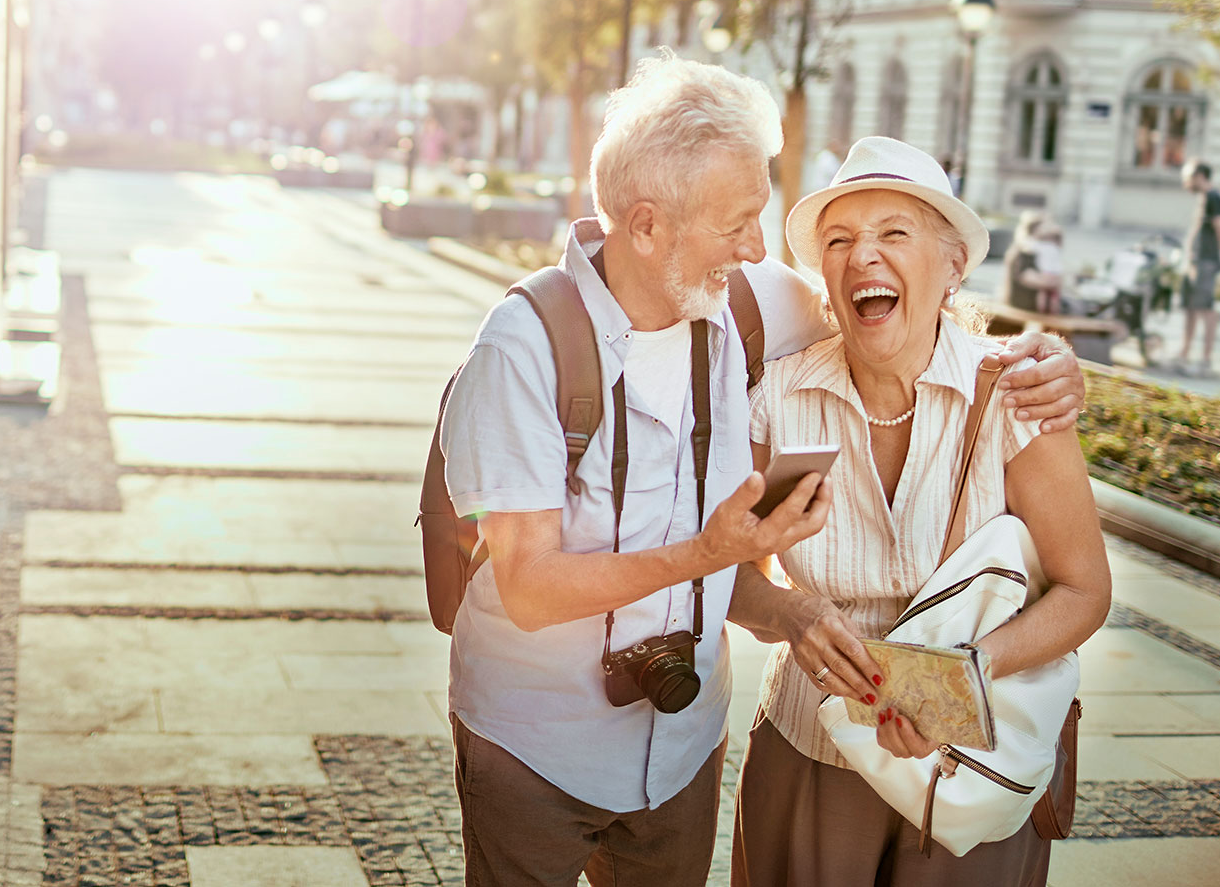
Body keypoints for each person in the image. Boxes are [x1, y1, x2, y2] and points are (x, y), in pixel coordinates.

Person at [439, 56, 1088, 887]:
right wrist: (739, 576)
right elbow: (530, 587)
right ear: (646, 226)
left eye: (764, 219)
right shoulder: (524, 348)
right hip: (537, 739)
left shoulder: (754, 302)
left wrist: (1050, 360)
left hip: (681, 750)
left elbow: (904, 314)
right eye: (738, 222)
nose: (756, 247)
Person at [727, 136, 1112, 887]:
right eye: (839, 240)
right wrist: (788, 614)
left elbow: (1084, 590)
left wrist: (958, 679)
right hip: (814, 749)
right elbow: (734, 567)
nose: (861, 255)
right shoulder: (781, 402)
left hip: (975, 760)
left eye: (893, 233)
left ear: (952, 264)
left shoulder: (1013, 394)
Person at [1177, 161, 1220, 377]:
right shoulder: (1204, 198)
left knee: (1206, 309)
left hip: (1207, 261)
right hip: (1196, 261)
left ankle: (1206, 360)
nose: (1185, 182)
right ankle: (1184, 353)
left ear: (1199, 176)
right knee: (1190, 307)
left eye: (1187, 177)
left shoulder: (1214, 198)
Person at [1001, 212, 1064, 315]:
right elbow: (1033, 279)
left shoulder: (1038, 252)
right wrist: (1054, 280)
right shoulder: (1024, 253)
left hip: (1031, 305)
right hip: (1023, 305)